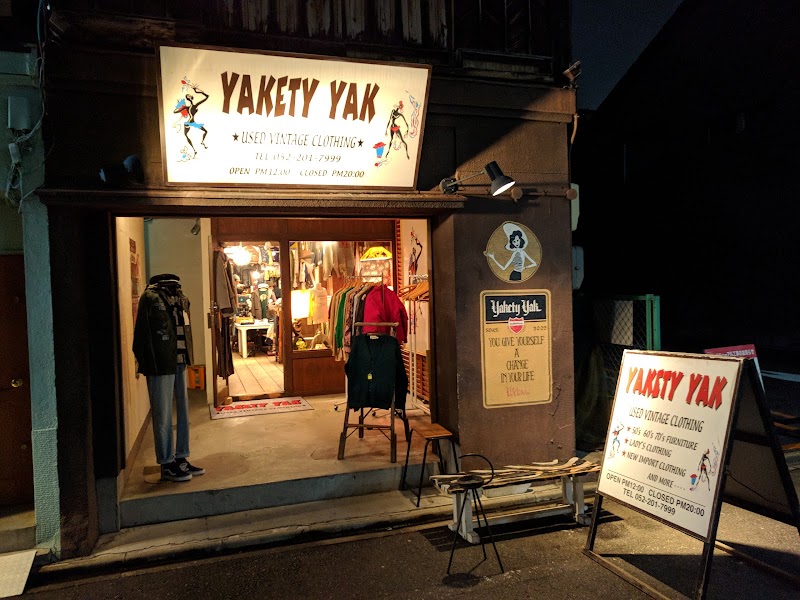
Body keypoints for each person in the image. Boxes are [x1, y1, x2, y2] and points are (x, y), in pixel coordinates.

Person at [133, 273, 205, 482]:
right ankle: (166, 462)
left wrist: (189, 357)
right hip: (160, 363)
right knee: (163, 413)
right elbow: (141, 333)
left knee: (183, 411)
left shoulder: (181, 297)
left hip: (180, 359)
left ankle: (181, 457)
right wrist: (143, 362)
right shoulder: (150, 298)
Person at [174, 84, 209, 157]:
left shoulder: (193, 106)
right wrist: (180, 106)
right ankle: (194, 149)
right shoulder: (187, 107)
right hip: (189, 122)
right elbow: (175, 111)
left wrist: (197, 91)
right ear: (188, 98)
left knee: (205, 131)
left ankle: (200, 144)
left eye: (189, 95)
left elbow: (207, 96)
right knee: (186, 135)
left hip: (192, 122)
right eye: (188, 96)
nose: (190, 96)